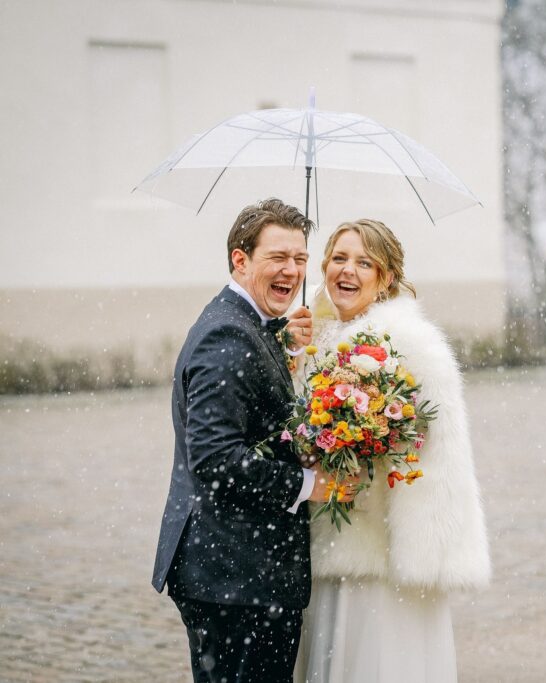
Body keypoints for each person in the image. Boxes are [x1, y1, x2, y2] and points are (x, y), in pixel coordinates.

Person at [293, 219, 490, 683]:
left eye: (365, 263)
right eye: (339, 258)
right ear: (323, 267)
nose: (348, 270)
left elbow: (442, 451)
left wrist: (421, 553)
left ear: (385, 280)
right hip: (328, 544)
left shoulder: (409, 342)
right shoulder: (313, 339)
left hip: (385, 556)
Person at [152, 198, 340, 682]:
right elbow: (216, 460)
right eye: (278, 257)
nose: (293, 270)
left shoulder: (246, 324)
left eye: (300, 258)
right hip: (235, 575)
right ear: (240, 259)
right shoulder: (228, 337)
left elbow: (256, 413)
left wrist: (283, 342)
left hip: (236, 572)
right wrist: (306, 485)